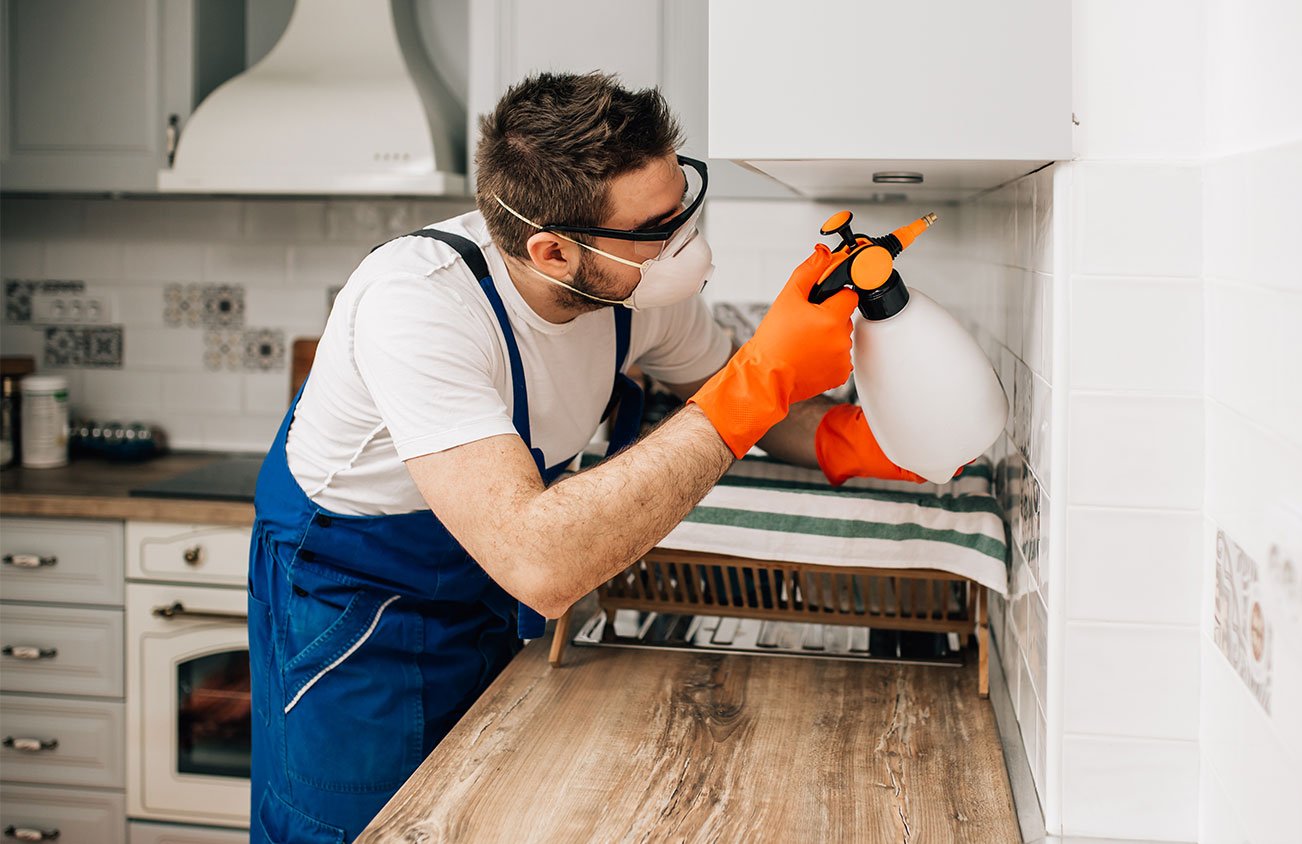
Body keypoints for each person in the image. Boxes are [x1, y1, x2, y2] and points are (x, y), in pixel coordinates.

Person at [247, 71, 922, 842]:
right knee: (358, 829)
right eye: (656, 227)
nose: (685, 242)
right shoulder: (419, 303)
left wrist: (861, 443)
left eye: (683, 205)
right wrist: (756, 381)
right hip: (356, 609)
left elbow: (748, 399)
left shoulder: (633, 289)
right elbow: (540, 563)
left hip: (485, 597)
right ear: (553, 251)